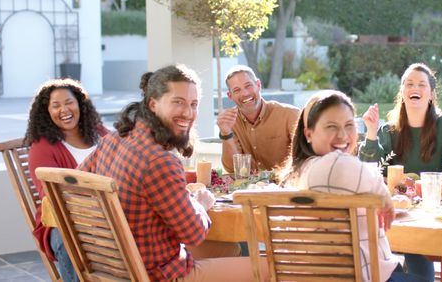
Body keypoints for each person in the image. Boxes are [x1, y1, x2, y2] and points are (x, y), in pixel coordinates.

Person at [79, 64, 268, 281]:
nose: (188, 113)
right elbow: (194, 233)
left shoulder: (111, 140)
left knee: (231, 249)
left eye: (193, 104)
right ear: (153, 104)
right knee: (270, 266)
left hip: (115, 266)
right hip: (159, 274)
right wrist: (200, 203)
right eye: (178, 102)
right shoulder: (159, 160)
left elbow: (77, 180)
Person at [280, 90, 426, 282]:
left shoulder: (296, 173)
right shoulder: (333, 165)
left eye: (349, 125)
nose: (342, 135)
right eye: (331, 126)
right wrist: (385, 197)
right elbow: (366, 173)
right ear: (309, 134)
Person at [358, 63, 442, 280]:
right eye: (409, 83)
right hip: (397, 218)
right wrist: (371, 132)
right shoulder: (388, 131)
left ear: (431, 94)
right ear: (402, 93)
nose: (416, 88)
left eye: (422, 84)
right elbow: (369, 174)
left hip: (437, 219)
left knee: (421, 273)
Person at [25, 78, 108, 282]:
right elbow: (51, 196)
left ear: (80, 104)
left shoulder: (99, 133)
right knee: (68, 237)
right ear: (47, 111)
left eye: (69, 102)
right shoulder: (42, 147)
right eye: (56, 105)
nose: (64, 109)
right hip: (65, 223)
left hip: (110, 215)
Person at [217, 65, 299, 172]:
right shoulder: (230, 123)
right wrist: (225, 133)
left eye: (248, 85)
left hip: (286, 185)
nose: (245, 93)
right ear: (230, 95)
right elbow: (232, 169)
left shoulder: (290, 115)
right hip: (250, 187)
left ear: (258, 85)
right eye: (237, 90)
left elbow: (305, 157)